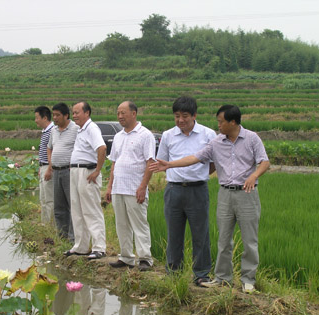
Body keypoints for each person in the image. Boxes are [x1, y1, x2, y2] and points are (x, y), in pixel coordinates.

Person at [152, 104, 270, 293]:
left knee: (249, 240)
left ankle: (248, 280)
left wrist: (254, 176)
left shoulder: (251, 138)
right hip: (225, 193)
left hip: (247, 193)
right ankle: (223, 278)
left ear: (232, 122)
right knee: (223, 239)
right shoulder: (217, 142)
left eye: (221, 122)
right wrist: (170, 165)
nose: (218, 126)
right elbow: (195, 158)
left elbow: (264, 161)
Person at [156, 96, 216, 286]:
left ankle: (201, 274)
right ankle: (173, 272)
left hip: (198, 190)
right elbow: (163, 162)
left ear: (194, 115)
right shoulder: (168, 135)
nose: (180, 120)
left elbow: (214, 163)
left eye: (184, 116)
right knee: (174, 234)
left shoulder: (208, 134)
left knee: (201, 234)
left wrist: (200, 174)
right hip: (173, 190)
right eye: (176, 116)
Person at [106, 101, 156, 271]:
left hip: (135, 188)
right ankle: (126, 257)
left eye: (123, 113)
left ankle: (145, 259)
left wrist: (143, 187)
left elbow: (150, 162)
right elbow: (114, 163)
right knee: (121, 224)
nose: (120, 116)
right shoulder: (119, 136)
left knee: (139, 223)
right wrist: (109, 186)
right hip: (118, 188)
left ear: (134, 113)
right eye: (118, 113)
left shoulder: (145, 135)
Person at [65, 102, 107, 259]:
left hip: (87, 171)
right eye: (73, 113)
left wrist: (97, 170)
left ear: (87, 113)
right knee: (77, 210)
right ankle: (81, 246)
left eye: (77, 112)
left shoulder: (91, 128)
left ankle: (99, 247)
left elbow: (102, 148)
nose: (74, 115)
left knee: (91, 210)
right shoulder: (81, 130)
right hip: (76, 171)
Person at [47, 103, 78, 242]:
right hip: (57, 171)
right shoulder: (53, 130)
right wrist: (50, 165)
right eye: (53, 115)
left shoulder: (76, 129)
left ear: (66, 115)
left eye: (58, 115)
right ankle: (62, 236)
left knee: (72, 205)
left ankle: (73, 238)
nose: (55, 118)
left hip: (69, 171)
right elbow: (49, 148)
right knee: (59, 207)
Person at [34, 106, 55, 224]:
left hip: (48, 167)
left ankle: (50, 225)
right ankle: (44, 224)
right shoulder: (45, 131)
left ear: (45, 117)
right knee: (43, 198)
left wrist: (49, 168)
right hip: (43, 167)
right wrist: (40, 167)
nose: (36, 120)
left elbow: (53, 151)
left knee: (49, 199)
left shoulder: (52, 131)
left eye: (37, 118)